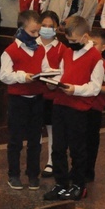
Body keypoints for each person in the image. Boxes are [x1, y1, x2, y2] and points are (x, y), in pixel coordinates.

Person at [43, 15, 104, 202]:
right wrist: (53, 83)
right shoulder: (67, 52)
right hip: (61, 104)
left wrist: (75, 89)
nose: (71, 44)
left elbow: (95, 87)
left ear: (85, 38)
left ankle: (79, 184)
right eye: (68, 41)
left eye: (74, 41)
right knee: (58, 147)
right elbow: (61, 73)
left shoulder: (96, 57)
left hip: (79, 108)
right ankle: (61, 184)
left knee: (77, 149)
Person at [0, 10, 49, 191]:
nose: (36, 36)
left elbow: (44, 68)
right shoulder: (10, 51)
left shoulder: (40, 49)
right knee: (16, 139)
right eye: (32, 32)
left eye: (38, 32)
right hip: (18, 99)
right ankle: (13, 174)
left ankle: (33, 174)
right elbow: (4, 76)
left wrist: (48, 76)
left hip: (36, 98)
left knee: (35, 139)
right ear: (21, 29)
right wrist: (22, 76)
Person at [85, 30, 105, 182]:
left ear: (103, 47)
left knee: (91, 140)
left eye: (94, 44)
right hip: (81, 106)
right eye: (89, 43)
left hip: (94, 107)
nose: (90, 47)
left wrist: (92, 87)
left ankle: (89, 170)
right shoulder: (83, 60)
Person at [39, 10, 63, 178]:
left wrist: (53, 81)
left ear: (56, 28)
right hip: (34, 91)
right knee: (34, 128)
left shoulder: (61, 48)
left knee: (51, 128)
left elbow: (64, 69)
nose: (47, 29)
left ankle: (51, 161)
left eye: (50, 26)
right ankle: (34, 159)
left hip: (51, 93)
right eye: (44, 25)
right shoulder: (33, 43)